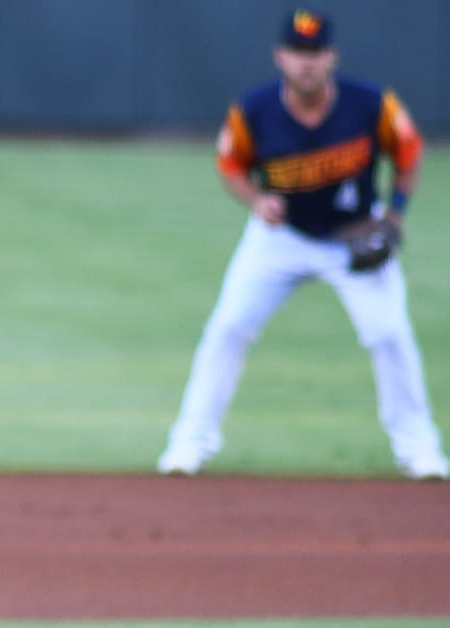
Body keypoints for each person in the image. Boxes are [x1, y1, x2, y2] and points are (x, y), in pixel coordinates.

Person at [157, 8, 448, 480]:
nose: (306, 63)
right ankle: (190, 443)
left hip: (354, 235)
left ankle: (419, 450)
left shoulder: (372, 104)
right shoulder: (253, 109)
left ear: (332, 57)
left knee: (389, 334)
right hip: (280, 239)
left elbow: (410, 153)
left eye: (315, 52)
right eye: (297, 52)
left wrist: (395, 213)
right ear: (280, 57)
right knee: (228, 327)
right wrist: (256, 200)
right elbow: (230, 165)